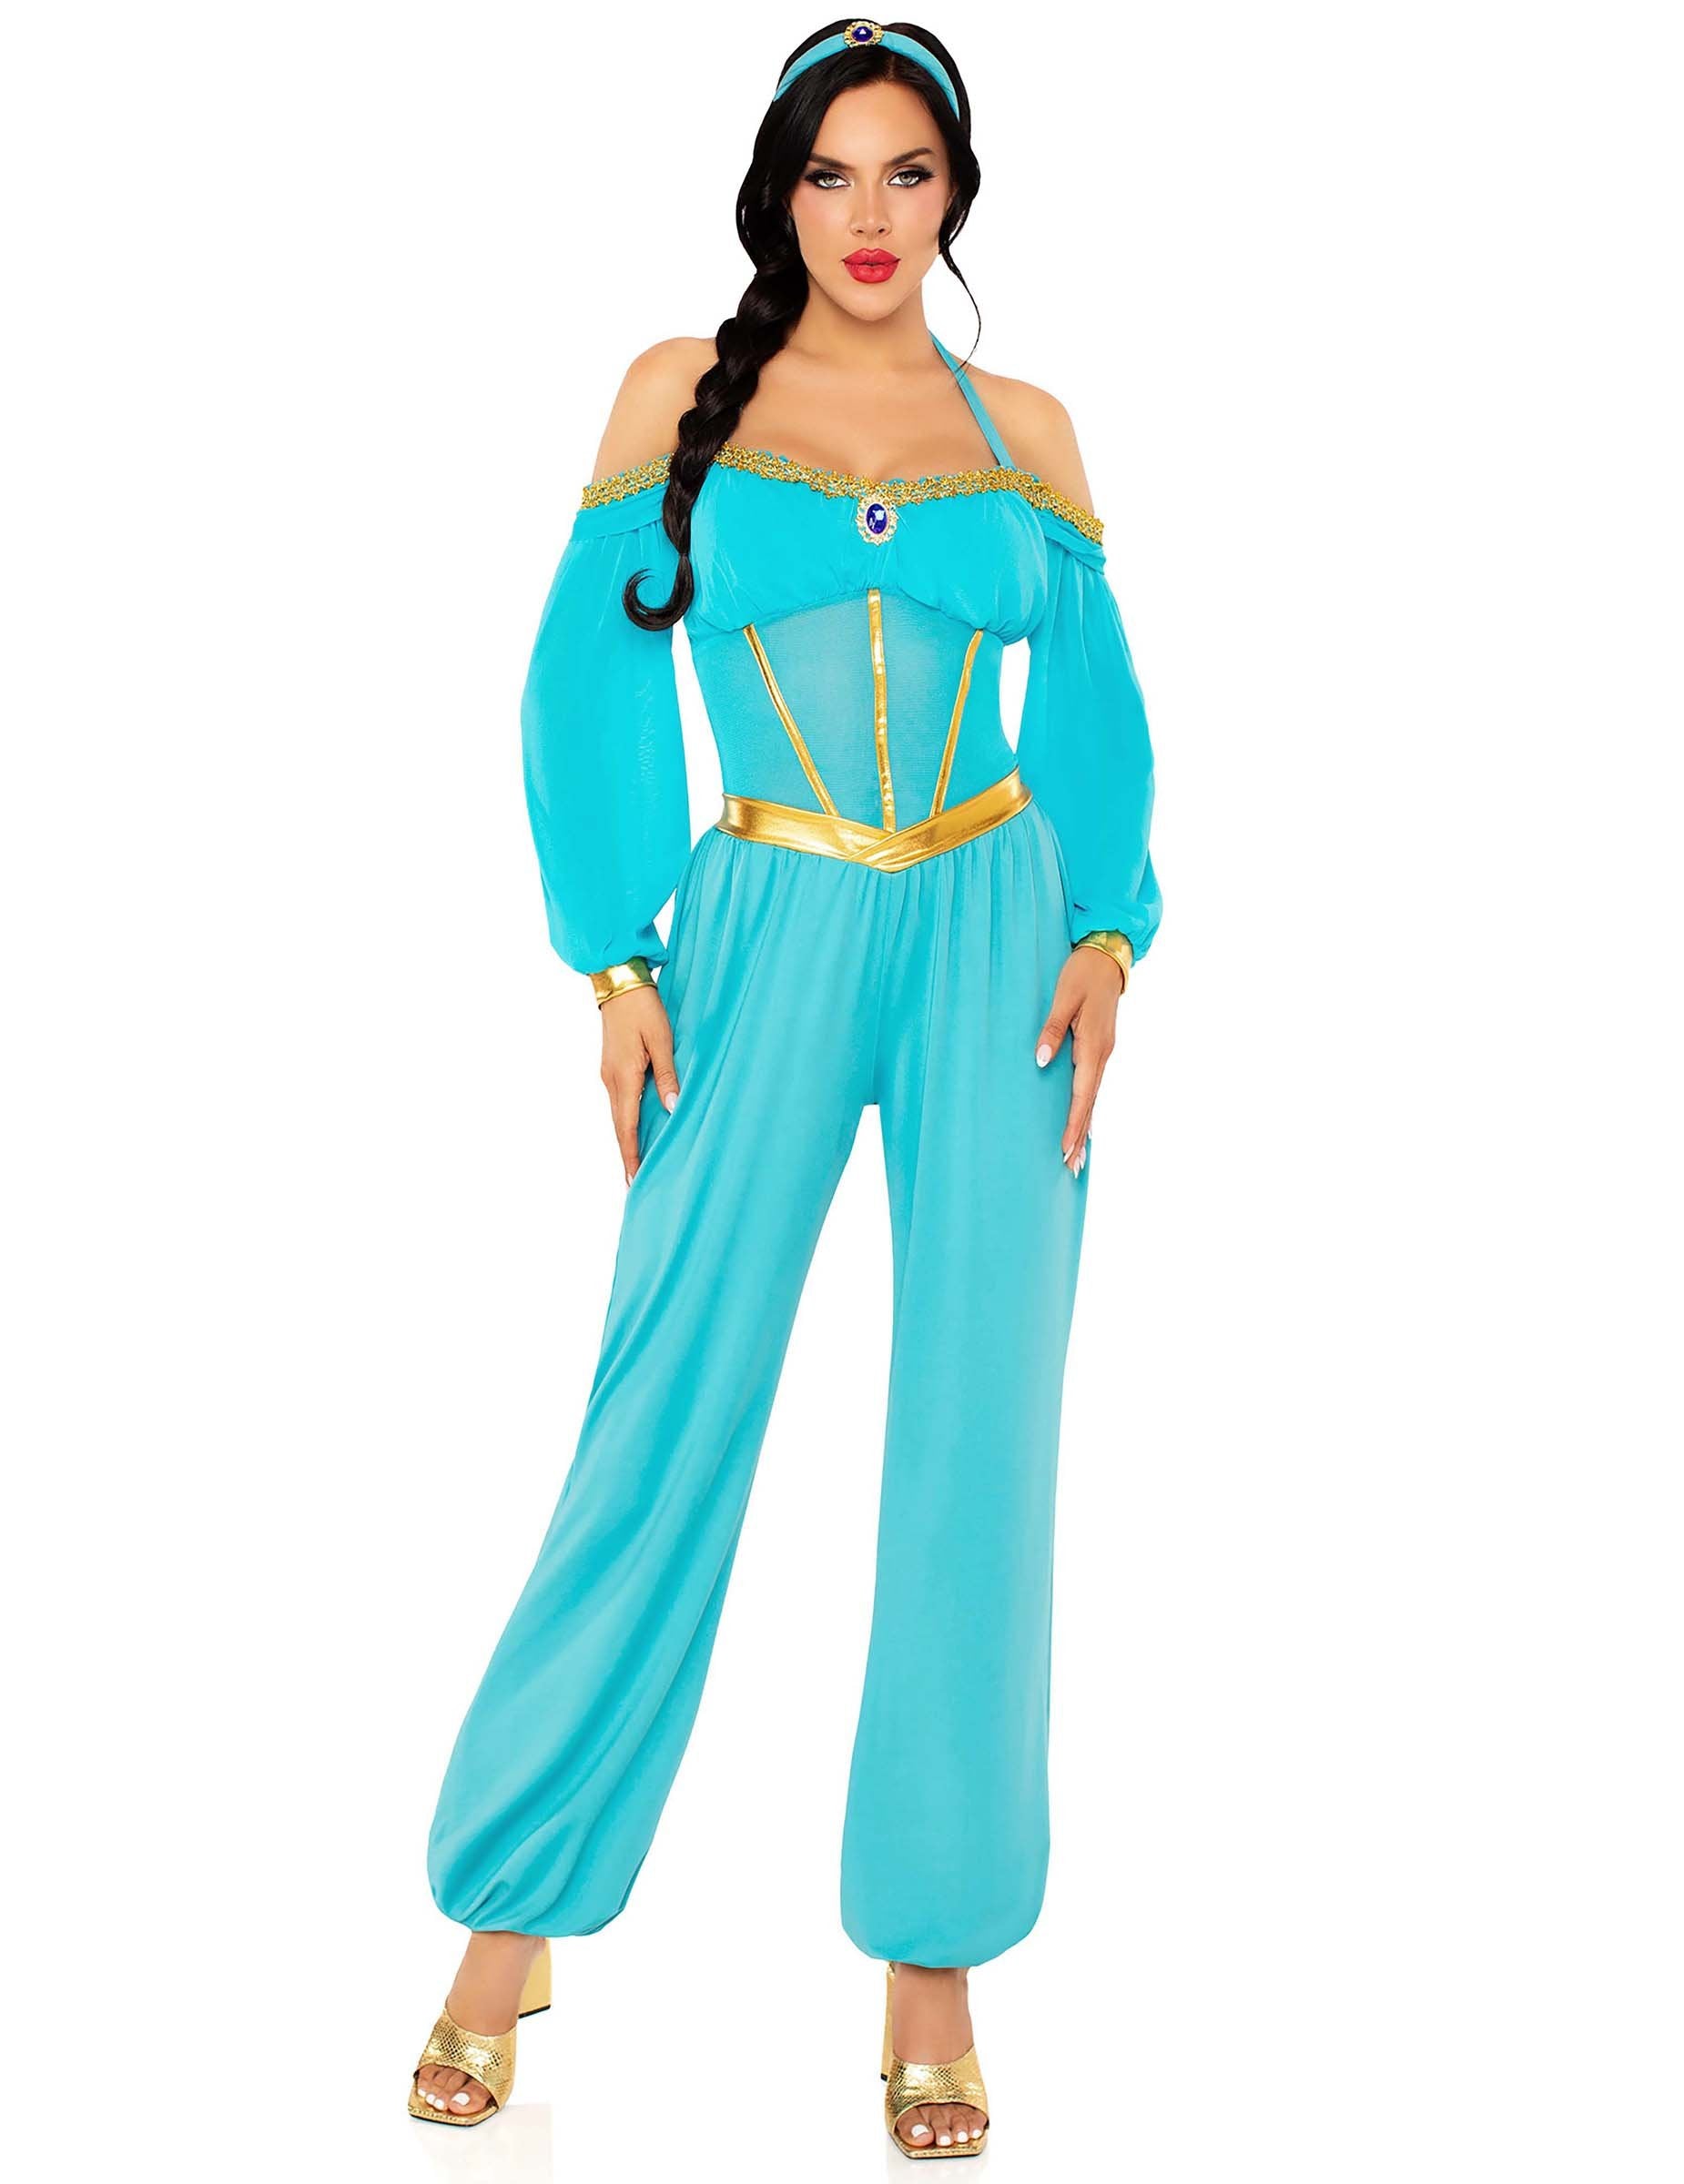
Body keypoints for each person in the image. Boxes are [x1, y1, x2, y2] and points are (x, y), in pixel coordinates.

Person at [409, 18, 1162, 2159]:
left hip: (996, 938)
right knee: (667, 1400)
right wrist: (615, 954)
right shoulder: (679, 393)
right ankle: (510, 1916)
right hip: (759, 923)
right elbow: (580, 677)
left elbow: (1095, 703)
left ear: (957, 192)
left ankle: (931, 1964)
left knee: (978, 1429)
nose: (868, 216)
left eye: (907, 173)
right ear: (779, 192)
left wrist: (1107, 928)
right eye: (831, 175)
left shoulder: (1023, 429)